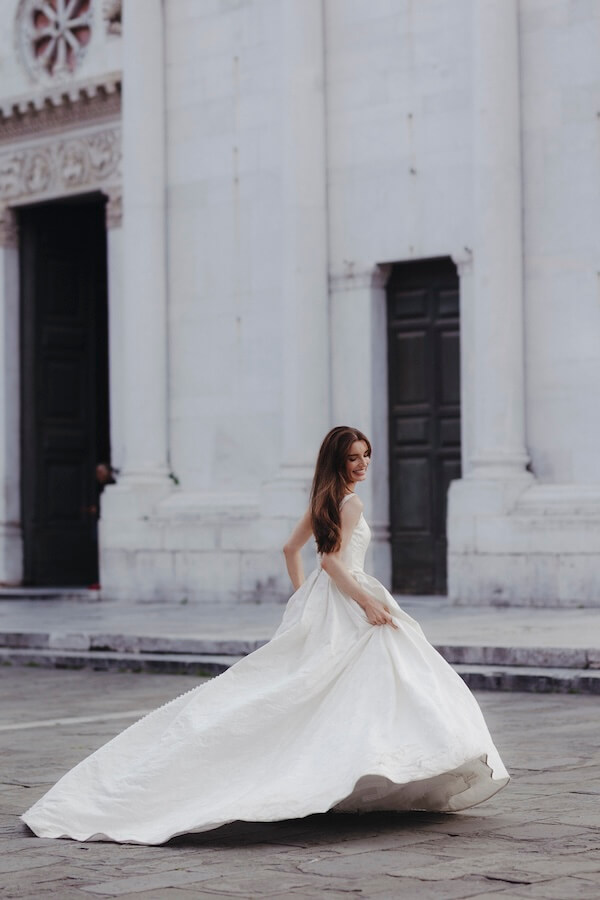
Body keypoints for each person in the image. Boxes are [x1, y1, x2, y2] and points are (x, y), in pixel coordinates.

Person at [21, 426, 509, 845]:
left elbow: (290, 549)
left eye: (365, 456)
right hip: (349, 597)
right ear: (337, 462)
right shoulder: (350, 504)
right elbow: (332, 561)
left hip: (329, 599)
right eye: (353, 458)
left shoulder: (323, 499)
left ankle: (359, 772)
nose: (361, 465)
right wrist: (364, 602)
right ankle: (363, 770)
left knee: (333, 685)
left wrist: (306, 598)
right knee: (365, 681)